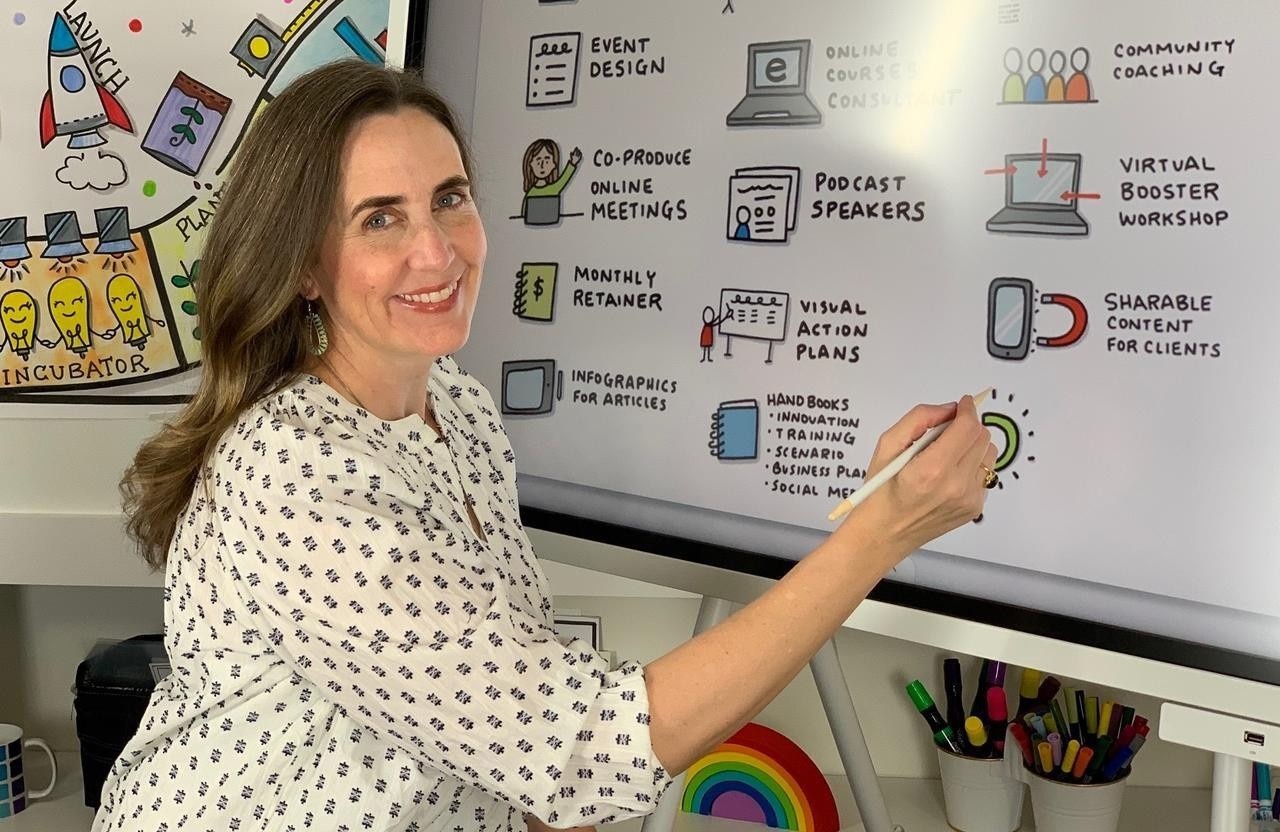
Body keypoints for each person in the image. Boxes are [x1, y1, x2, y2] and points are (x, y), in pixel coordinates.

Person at [105, 60, 997, 832]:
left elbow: (513, 721)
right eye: (379, 218)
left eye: (449, 199)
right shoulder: (294, 473)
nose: (437, 253)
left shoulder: (457, 407)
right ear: (303, 264)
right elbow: (580, 749)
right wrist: (879, 534)